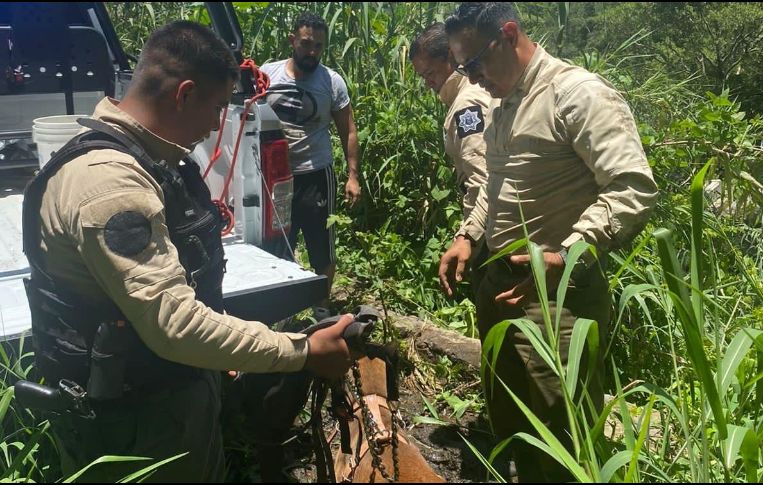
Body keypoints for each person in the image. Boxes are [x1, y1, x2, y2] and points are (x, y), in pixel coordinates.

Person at [22, 20, 354, 483]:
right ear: (184, 94)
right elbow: (173, 326)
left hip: (165, 397)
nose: (218, 123)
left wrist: (220, 356)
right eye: (218, 107)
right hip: (139, 425)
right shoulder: (111, 185)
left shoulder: (149, 159)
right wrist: (301, 350)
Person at [438, 3, 659, 482]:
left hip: (557, 300)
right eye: (463, 68)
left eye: (474, 63)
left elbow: (631, 186)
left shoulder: (575, 94)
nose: (472, 80)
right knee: (513, 425)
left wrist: (567, 253)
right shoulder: (500, 100)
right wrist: (469, 235)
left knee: (564, 437)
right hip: (500, 285)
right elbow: (497, 187)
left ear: (509, 34)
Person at [261, 12, 362, 318]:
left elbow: (349, 129)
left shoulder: (331, 82)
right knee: (277, 245)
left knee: (322, 245)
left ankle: (321, 306)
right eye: (306, 44)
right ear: (293, 41)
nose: (312, 52)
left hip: (316, 174)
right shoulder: (268, 75)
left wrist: (353, 175)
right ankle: (280, 309)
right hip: (275, 179)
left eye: (318, 46)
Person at [409, 22, 493, 296]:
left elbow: (482, 176)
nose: (428, 82)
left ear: (449, 56)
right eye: (422, 76)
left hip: (488, 231)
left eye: (430, 73)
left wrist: (468, 236)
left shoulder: (467, 105)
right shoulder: (470, 93)